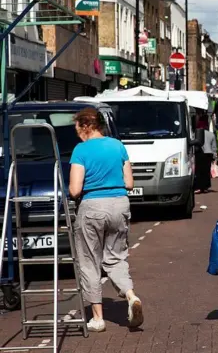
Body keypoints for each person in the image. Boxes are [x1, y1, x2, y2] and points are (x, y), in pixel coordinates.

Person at [68, 107, 143, 332]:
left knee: (90, 262)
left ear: (86, 125)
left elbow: (74, 189)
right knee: (116, 258)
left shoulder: (80, 150)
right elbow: (129, 183)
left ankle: (98, 319)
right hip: (119, 204)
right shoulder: (118, 146)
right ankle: (130, 296)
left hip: (92, 206)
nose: (77, 132)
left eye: (77, 128)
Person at [194, 116, 216, 193]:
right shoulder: (211, 134)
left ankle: (198, 187)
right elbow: (214, 147)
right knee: (206, 171)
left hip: (199, 153)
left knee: (198, 171)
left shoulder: (195, 134)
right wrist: (215, 156)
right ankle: (205, 187)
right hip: (208, 154)